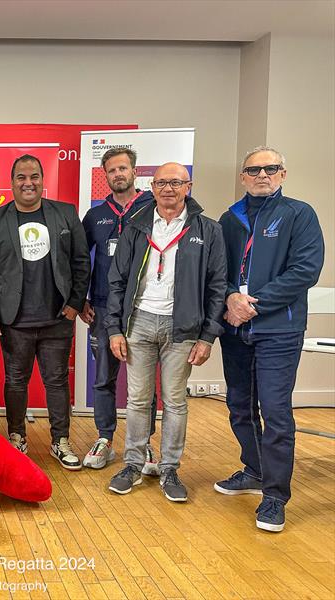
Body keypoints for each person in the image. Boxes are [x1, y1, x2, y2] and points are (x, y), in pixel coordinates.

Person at [215, 146, 324, 532]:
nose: (263, 175)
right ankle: (255, 469)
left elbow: (305, 271)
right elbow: (218, 269)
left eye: (271, 168)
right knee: (239, 406)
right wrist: (230, 297)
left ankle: (275, 496)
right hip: (235, 328)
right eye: (254, 169)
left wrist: (254, 305)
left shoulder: (299, 214)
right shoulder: (230, 219)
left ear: (283, 173)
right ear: (243, 176)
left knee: (275, 413)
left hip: (279, 329)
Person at [105, 162, 226, 502]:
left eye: (176, 182)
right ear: (152, 187)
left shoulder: (207, 229)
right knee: (138, 400)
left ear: (189, 186)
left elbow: (217, 287)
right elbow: (116, 281)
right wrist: (114, 328)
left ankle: (170, 467)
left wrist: (207, 336)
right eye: (161, 183)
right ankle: (133, 463)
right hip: (139, 323)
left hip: (183, 327)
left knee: (175, 402)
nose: (168, 189)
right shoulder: (136, 225)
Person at [0, 154, 91, 470]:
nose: (29, 183)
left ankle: (60, 441)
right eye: (22, 177)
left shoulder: (65, 214)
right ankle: (16, 437)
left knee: (56, 382)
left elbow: (81, 262)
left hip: (57, 318)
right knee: (15, 381)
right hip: (14, 321)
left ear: (42, 179)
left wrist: (74, 305)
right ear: (12, 183)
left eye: (34, 176)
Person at [79, 147, 159, 473]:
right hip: (102, 307)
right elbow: (81, 261)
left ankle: (144, 442)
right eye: (112, 170)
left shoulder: (154, 209)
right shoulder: (96, 215)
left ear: (134, 171)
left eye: (123, 168)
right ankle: (104, 439)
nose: (118, 175)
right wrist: (81, 298)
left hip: (145, 306)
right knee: (103, 379)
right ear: (105, 176)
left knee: (145, 381)